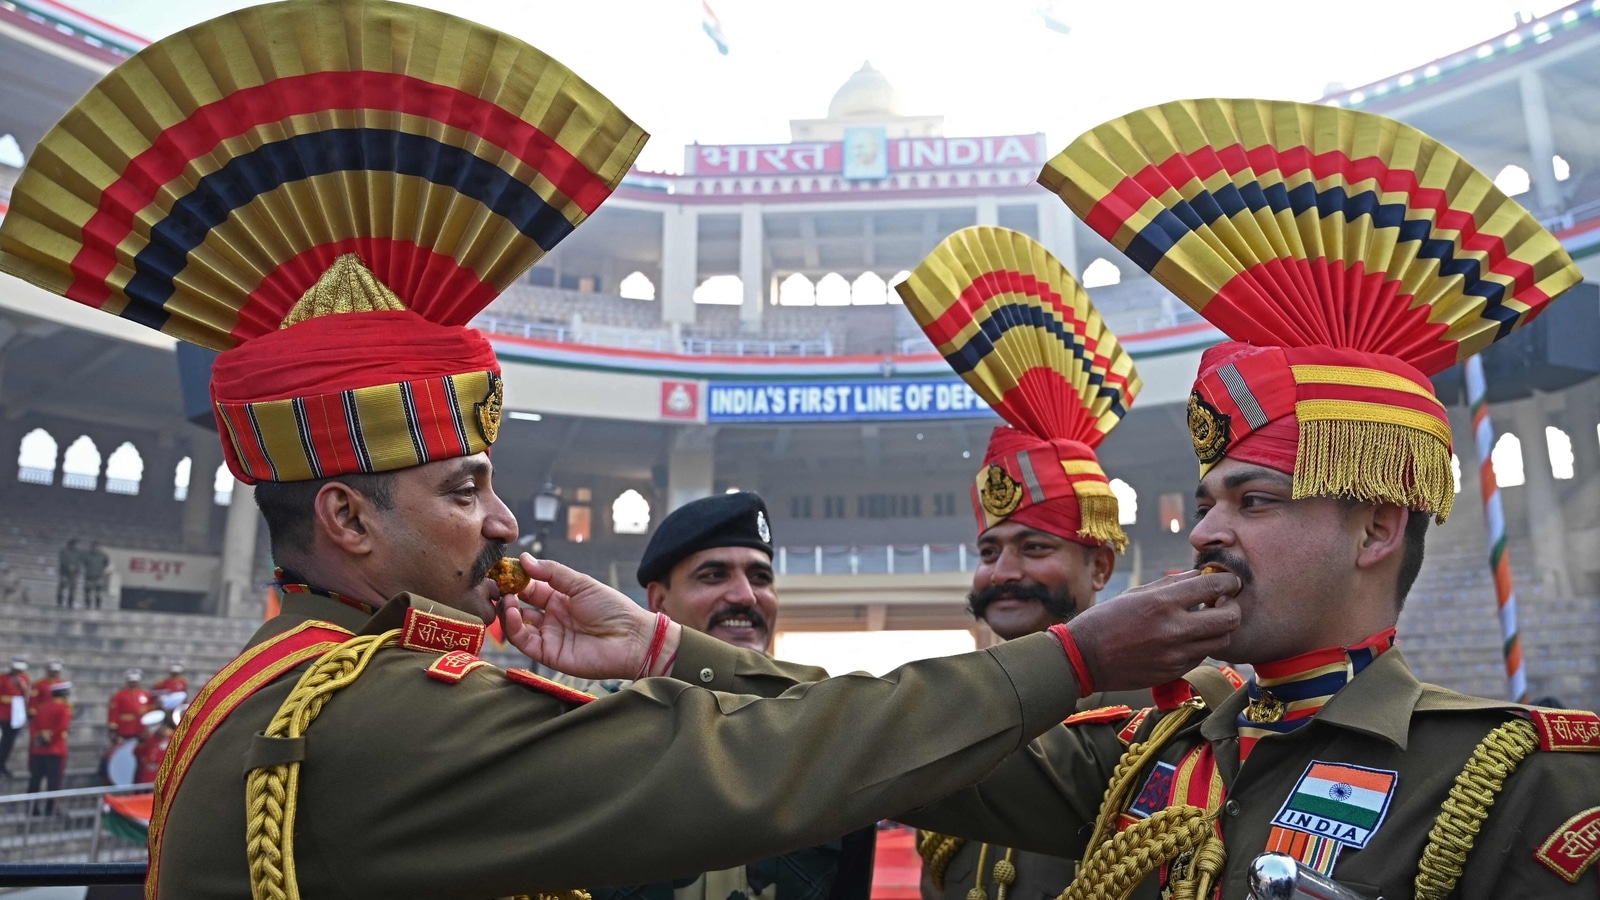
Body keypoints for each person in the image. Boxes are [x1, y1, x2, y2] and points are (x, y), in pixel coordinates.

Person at [0, 4, 1242, 897]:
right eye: (466, 486)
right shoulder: (373, 712)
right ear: (346, 520)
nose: (500, 523)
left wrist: (657, 644)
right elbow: (757, 759)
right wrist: (1080, 657)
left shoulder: (309, 684)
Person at [891, 98, 1600, 898]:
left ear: (1376, 529)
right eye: (1205, 505)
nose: (1204, 534)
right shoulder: (1144, 755)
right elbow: (874, 752)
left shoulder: (1517, 783)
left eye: (1253, 501)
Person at [895, 227, 1240, 900]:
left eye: (1036, 547)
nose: (1003, 572)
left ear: (1101, 568)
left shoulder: (1183, 699)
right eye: (990, 551)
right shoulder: (957, 705)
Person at [573, 492, 878, 900]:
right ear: (658, 601)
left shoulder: (822, 735)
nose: (746, 596)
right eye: (714, 575)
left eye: (761, 578)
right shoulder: (592, 734)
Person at [27, 681, 70, 814]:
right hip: (55, 749)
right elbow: (62, 727)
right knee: (54, 781)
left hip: (38, 749)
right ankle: (50, 809)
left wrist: (39, 738)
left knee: (35, 779)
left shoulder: (41, 707)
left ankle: (31, 809)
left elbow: (33, 726)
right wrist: (49, 738)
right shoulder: (64, 707)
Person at [0, 659, 30, 779]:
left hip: (16, 715)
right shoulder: (3, 678)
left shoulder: (24, 679)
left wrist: (22, 687)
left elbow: (25, 694)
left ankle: (2, 764)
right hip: (3, 713)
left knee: (8, 743)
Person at [106, 669, 149, 742]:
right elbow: (114, 712)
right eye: (131, 682)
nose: (133, 684)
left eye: (135, 682)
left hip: (140, 727)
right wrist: (113, 729)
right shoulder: (119, 694)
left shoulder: (145, 693)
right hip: (125, 727)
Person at [82, 541, 111, 609]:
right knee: (88, 592)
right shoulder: (87, 555)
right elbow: (85, 563)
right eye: (94, 547)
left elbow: (106, 564)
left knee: (98, 593)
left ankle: (98, 605)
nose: (95, 548)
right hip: (89, 576)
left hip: (98, 577)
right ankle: (87, 605)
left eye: (97, 547)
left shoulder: (103, 556)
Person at [56, 538, 81, 608]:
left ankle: (70, 603)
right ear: (72, 545)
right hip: (64, 573)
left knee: (73, 589)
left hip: (73, 574)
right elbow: (62, 560)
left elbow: (79, 563)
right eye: (76, 544)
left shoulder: (78, 554)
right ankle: (59, 602)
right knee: (61, 587)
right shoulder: (64, 551)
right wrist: (69, 565)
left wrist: (77, 571)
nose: (77, 546)